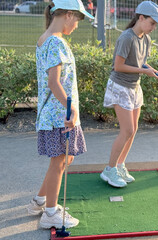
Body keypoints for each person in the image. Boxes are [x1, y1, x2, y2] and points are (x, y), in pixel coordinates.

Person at [26, 0, 94, 229]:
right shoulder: (55, 42)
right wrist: (71, 108)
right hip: (59, 115)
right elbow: (54, 83)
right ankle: (51, 213)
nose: (77, 24)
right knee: (60, 161)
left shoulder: (45, 39)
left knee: (65, 158)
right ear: (67, 15)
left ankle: (40, 201)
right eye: (78, 18)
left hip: (54, 114)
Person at [100, 1, 158, 187]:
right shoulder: (126, 37)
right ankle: (109, 170)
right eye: (152, 23)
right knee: (127, 130)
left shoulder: (145, 39)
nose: (154, 27)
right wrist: (144, 72)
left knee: (134, 130)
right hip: (120, 86)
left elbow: (142, 64)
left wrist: (157, 74)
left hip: (134, 87)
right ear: (141, 18)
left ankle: (120, 165)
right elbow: (118, 66)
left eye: (156, 24)